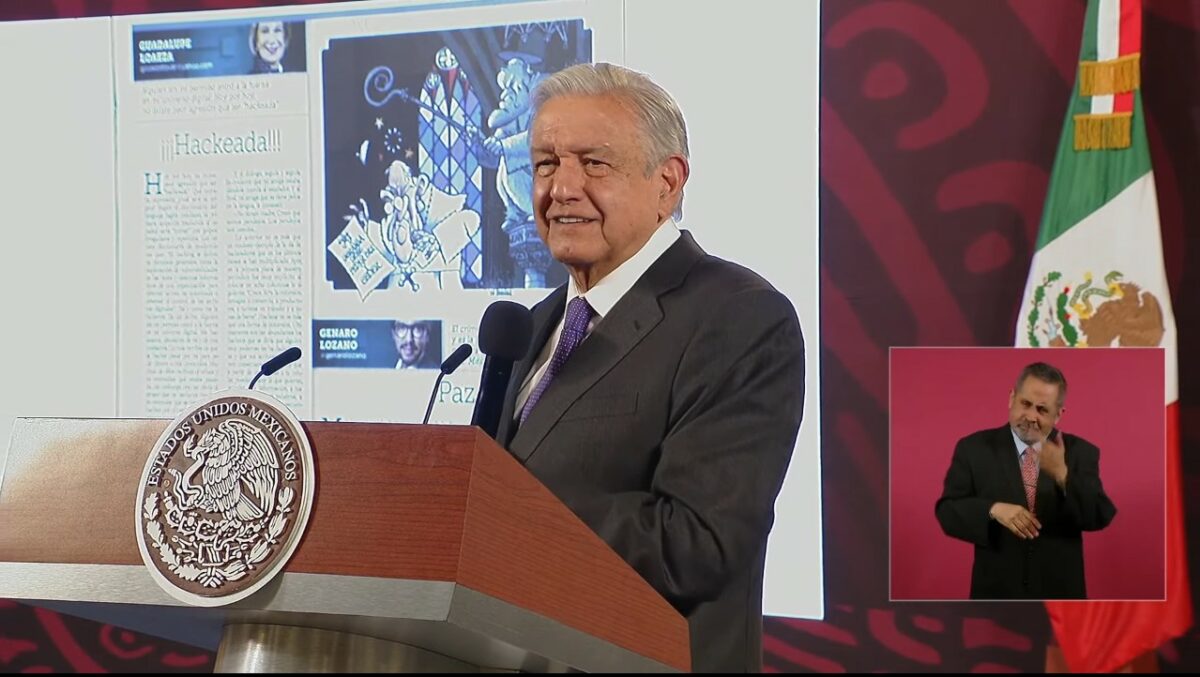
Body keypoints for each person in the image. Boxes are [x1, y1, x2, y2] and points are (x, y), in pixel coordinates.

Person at [493, 63, 805, 673]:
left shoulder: (739, 318)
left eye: (594, 163)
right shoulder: (532, 326)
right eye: (546, 163)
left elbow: (697, 542)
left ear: (668, 182)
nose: (562, 188)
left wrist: (504, 520)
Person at [934, 362, 1117, 600]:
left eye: (1042, 410)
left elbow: (1099, 516)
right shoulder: (974, 448)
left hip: (1060, 598)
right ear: (1012, 398)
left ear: (1058, 415)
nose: (1031, 416)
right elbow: (947, 511)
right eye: (1025, 404)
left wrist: (1062, 474)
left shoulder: (1081, 452)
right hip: (996, 596)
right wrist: (993, 509)